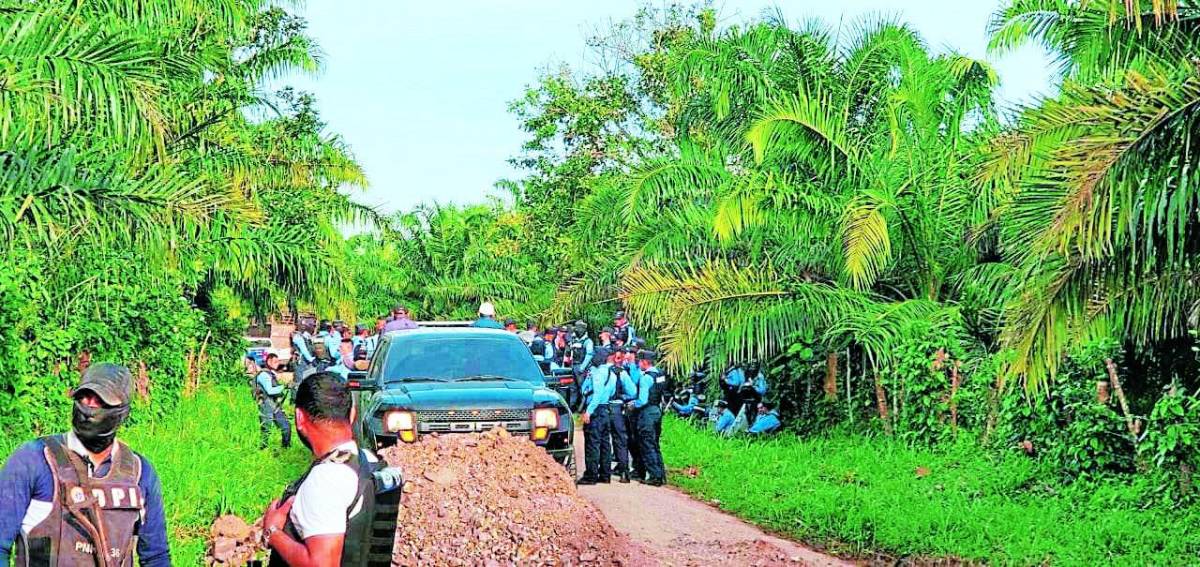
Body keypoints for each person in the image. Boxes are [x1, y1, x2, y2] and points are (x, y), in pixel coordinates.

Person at [0, 363, 171, 566]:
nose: (89, 407)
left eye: (101, 401)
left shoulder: (140, 473)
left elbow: (155, 556)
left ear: (122, 412)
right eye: (84, 397)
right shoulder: (34, 459)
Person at [263, 372, 403, 567]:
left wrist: (272, 532)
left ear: (299, 418)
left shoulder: (325, 479)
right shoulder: (368, 460)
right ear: (353, 413)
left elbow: (322, 564)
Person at [576, 356, 615, 485]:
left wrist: (589, 411)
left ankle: (591, 475)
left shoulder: (596, 373)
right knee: (605, 444)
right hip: (605, 410)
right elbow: (612, 392)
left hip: (596, 411)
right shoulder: (612, 373)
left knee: (592, 444)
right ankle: (605, 474)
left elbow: (594, 393)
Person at [631, 350, 667, 486]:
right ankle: (661, 474)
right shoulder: (660, 374)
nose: (639, 364)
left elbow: (642, 400)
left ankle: (655, 476)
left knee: (647, 444)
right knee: (655, 444)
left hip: (647, 413)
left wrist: (632, 404)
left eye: (640, 361)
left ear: (645, 362)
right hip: (657, 411)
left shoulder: (646, 378)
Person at [607, 349, 638, 483]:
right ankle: (624, 473)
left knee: (599, 441)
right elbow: (633, 392)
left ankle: (601, 473)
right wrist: (622, 396)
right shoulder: (622, 373)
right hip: (617, 409)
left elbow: (586, 390)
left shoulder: (597, 372)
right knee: (620, 441)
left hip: (601, 409)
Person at [256, 353, 292, 450]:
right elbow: (270, 391)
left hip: (275, 405)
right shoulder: (264, 375)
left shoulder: (271, 374)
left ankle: (286, 448)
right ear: (269, 362)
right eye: (275, 362)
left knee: (286, 426)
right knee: (266, 429)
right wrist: (284, 387)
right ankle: (262, 449)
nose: (277, 364)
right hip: (265, 405)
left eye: (278, 361)